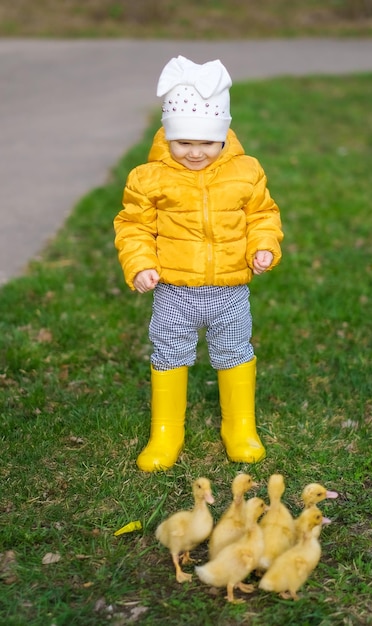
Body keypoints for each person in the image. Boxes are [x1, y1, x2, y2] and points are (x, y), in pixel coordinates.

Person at [114, 55, 283, 472]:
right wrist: (139, 263)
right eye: (183, 142)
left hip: (229, 291)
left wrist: (263, 246)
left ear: (224, 135)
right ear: (167, 137)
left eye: (206, 142)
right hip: (174, 291)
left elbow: (263, 215)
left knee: (234, 351)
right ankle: (167, 431)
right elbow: (133, 225)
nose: (194, 152)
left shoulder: (246, 172)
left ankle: (239, 425)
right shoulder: (148, 178)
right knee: (170, 354)